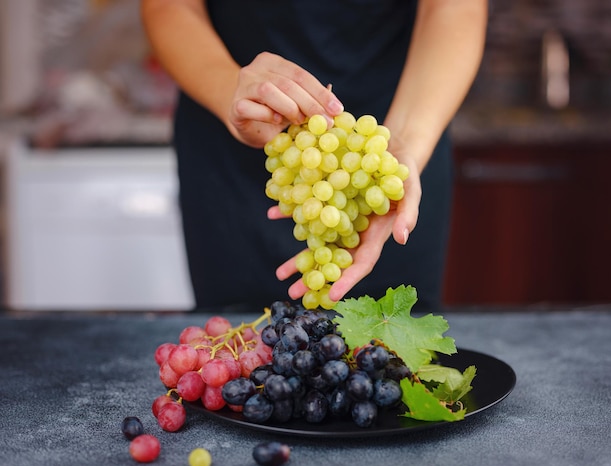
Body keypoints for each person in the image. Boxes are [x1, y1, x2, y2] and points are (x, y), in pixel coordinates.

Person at [140, 0, 488, 312]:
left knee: (394, 353)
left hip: (394, 144)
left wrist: (407, 142)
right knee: (239, 348)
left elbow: (454, 7)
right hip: (235, 125)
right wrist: (228, 89)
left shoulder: (392, 160)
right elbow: (169, 6)